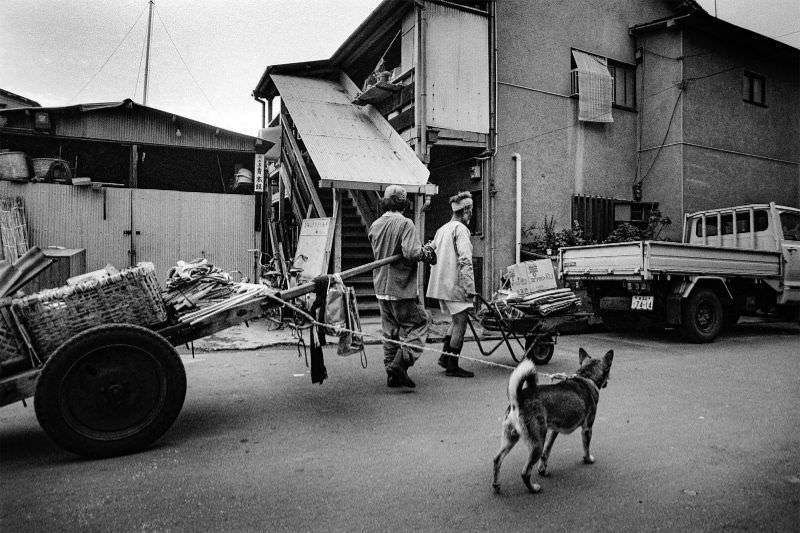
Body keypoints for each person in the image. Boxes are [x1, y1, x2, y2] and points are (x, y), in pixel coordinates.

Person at [368, 185, 436, 389]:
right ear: (404, 204)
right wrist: (428, 250)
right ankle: (401, 362)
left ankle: (391, 372)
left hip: (381, 286)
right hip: (401, 287)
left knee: (390, 331)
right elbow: (412, 253)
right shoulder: (406, 224)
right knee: (420, 322)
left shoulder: (376, 225)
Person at [426, 191, 476, 378]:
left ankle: (445, 358)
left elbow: (430, 250)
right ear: (465, 211)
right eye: (470, 211)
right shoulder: (461, 230)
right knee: (461, 322)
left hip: (441, 284)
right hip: (455, 284)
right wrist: (470, 287)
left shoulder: (442, 229)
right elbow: (465, 260)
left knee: (455, 320)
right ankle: (452, 366)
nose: (471, 214)